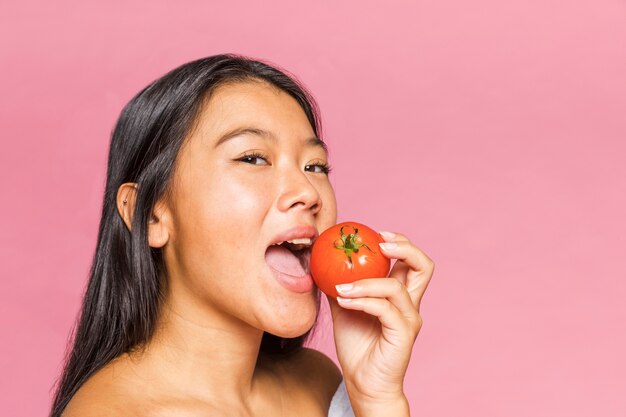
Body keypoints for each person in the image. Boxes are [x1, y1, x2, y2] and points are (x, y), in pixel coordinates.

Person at [50, 53, 434, 417]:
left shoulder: (319, 382)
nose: (308, 191)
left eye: (315, 166)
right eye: (253, 158)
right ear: (151, 215)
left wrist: (379, 400)